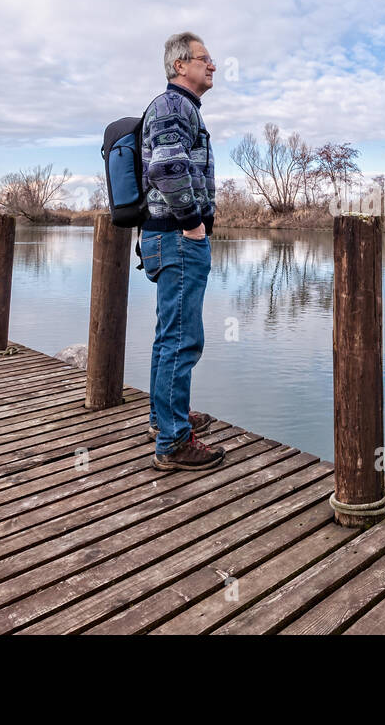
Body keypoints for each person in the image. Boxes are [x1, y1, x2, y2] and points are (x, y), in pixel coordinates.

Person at [140, 31, 223, 471]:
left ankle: (164, 417)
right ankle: (173, 442)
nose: (213, 66)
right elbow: (167, 168)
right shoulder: (173, 106)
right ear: (180, 66)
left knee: (168, 333)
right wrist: (193, 224)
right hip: (176, 236)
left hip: (166, 235)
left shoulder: (179, 108)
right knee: (182, 337)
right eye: (204, 59)